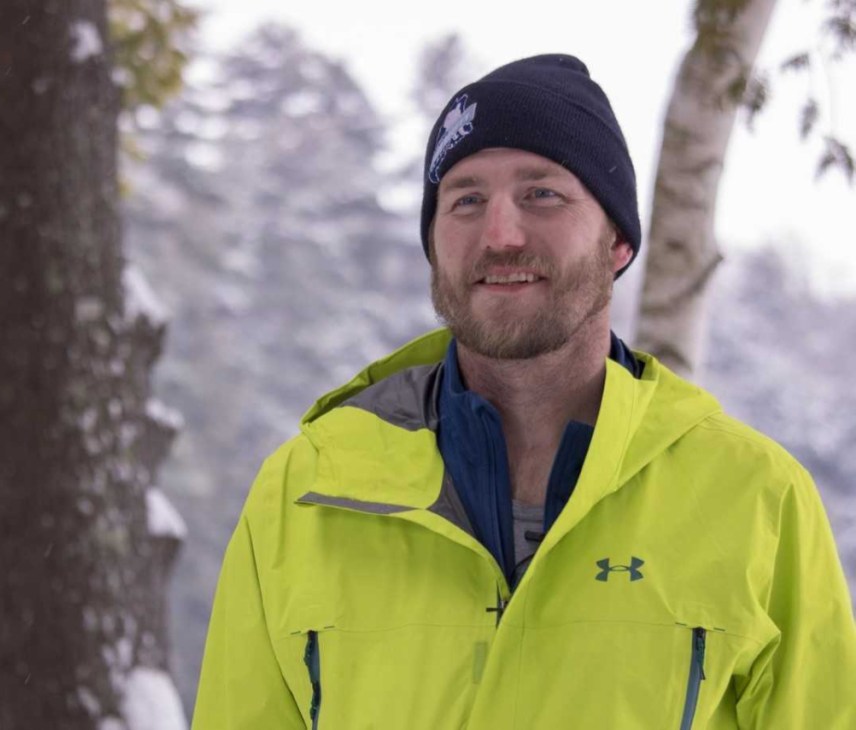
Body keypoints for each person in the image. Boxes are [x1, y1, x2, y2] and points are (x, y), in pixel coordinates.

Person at [192, 54, 856, 729]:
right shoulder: (303, 494)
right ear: (433, 242)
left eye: (542, 194)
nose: (501, 235)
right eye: (467, 200)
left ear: (618, 240)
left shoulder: (754, 498)